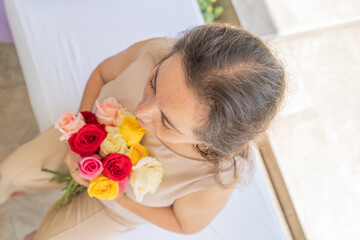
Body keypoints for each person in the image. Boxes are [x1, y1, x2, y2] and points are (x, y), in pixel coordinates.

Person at [0, 21, 286, 240]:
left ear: (212, 145)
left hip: (116, 207)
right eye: (153, 83)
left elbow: (183, 224)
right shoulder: (155, 53)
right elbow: (102, 73)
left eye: (167, 122)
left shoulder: (216, 178)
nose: (140, 112)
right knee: (8, 175)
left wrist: (119, 197)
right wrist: (79, 136)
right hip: (85, 137)